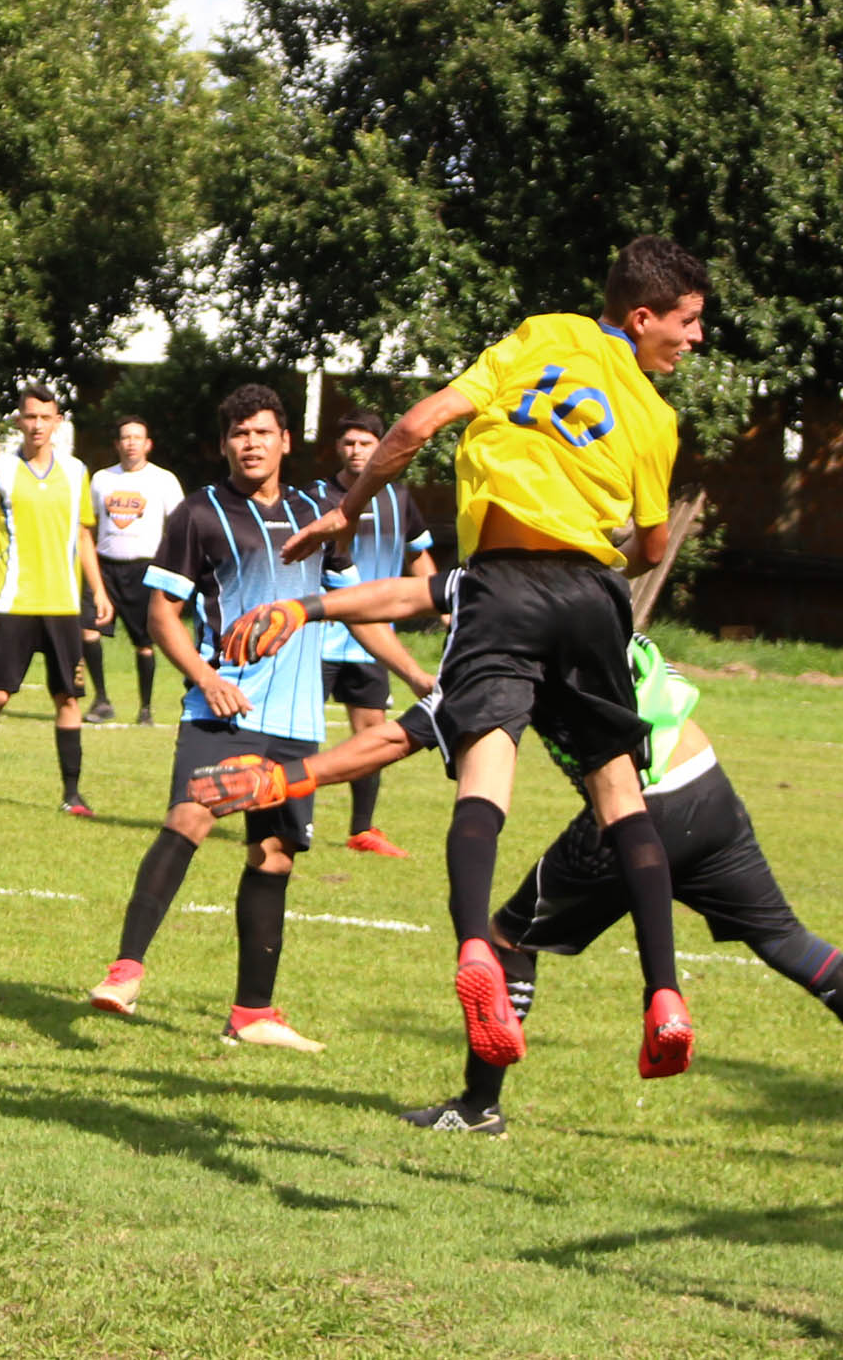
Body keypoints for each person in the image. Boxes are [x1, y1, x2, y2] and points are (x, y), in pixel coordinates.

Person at [194, 571, 843, 1142]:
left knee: (505, 939)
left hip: (640, 811)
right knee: (784, 939)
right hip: (709, 786)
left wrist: (288, 772)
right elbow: (418, 591)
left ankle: (478, 1103)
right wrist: (315, 604)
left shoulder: (508, 635)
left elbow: (402, 731)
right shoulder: (586, 593)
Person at [282, 235, 708, 1079]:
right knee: (620, 791)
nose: (695, 340)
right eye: (689, 323)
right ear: (642, 317)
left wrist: (349, 509)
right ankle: (663, 991)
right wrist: (603, 556)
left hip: (500, 584)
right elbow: (654, 543)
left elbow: (418, 423)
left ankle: (477, 944)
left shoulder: (540, 335)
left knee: (486, 774)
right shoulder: (655, 419)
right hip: (592, 595)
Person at [86, 385, 407, 1048]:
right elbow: (160, 615)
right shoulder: (198, 514)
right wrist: (206, 677)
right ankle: (124, 971)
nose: (251, 443)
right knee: (190, 815)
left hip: (296, 718)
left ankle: (251, 1014)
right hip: (222, 705)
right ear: (224, 442)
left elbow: (353, 608)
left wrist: (417, 673)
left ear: (285, 440)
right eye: (238, 433)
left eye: (262, 431)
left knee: (274, 854)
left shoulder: (320, 511)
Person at [0, 386, 114, 815]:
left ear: (58, 421)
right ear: (18, 421)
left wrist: (97, 590)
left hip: (62, 603)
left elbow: (83, 534)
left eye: (46, 417)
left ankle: (71, 794)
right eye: (30, 417)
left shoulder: (77, 473)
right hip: (11, 601)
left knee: (69, 698)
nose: (37, 424)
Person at [317, 408, 437, 858]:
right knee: (305, 732)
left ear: (380, 446)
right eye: (348, 443)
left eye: (365, 443)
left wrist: (445, 609)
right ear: (337, 448)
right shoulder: (317, 498)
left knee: (371, 734)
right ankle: (294, 821)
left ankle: (362, 831)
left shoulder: (399, 497)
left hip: (374, 642)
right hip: (321, 635)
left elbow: (419, 556)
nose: (355, 451)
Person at [88, 416, 186, 727]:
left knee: (144, 642)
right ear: (117, 444)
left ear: (148, 444)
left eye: (137, 438)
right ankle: (101, 700)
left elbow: (181, 525)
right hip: (104, 567)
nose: (131, 443)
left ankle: (145, 709)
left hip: (144, 568)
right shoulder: (102, 479)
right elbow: (88, 525)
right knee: (87, 631)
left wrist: (171, 566)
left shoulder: (163, 480)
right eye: (125, 438)